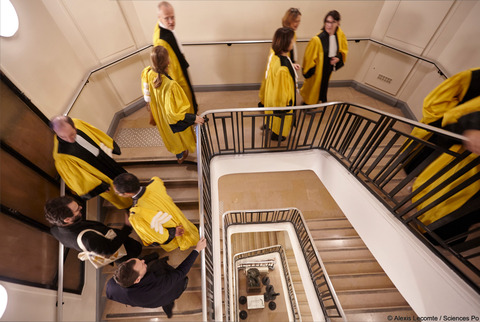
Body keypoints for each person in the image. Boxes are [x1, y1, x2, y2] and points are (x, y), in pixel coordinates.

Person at [407, 67, 480, 244]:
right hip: (455, 153)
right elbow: (434, 103)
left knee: (454, 212)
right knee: (438, 195)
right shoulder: (474, 78)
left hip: (463, 163)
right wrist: (465, 129)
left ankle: (431, 237)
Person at [106, 238, 207, 318]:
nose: (143, 261)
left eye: (139, 260)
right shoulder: (159, 286)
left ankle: (168, 309)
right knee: (168, 299)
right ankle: (168, 308)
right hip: (160, 295)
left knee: (164, 299)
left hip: (141, 298)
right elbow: (180, 272)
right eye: (142, 265)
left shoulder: (112, 285)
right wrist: (197, 249)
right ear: (137, 279)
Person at [51, 116, 132, 209]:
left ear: (74, 126)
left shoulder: (77, 123)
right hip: (98, 174)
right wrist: (99, 187)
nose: (70, 140)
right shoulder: (62, 156)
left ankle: (133, 191)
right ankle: (129, 207)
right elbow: (77, 177)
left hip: (104, 158)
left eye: (72, 134)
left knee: (122, 175)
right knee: (118, 195)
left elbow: (94, 132)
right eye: (63, 137)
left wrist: (108, 145)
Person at [142, 46, 204, 164]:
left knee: (171, 138)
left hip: (159, 114)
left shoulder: (147, 73)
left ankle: (179, 156)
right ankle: (181, 154)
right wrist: (193, 118)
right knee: (178, 136)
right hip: (169, 118)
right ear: (168, 61)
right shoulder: (170, 85)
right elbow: (172, 114)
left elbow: (146, 93)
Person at [113, 173, 199, 251]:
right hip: (181, 220)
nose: (117, 194)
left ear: (127, 193)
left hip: (176, 235)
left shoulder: (136, 215)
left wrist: (172, 232)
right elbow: (156, 179)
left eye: (118, 193)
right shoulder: (155, 185)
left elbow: (156, 237)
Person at [45, 196, 142, 264]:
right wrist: (127, 228)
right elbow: (110, 250)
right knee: (136, 249)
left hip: (101, 242)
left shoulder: (55, 230)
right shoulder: (88, 239)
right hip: (124, 250)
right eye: (77, 209)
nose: (81, 207)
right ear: (67, 220)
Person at [153, 1, 198, 113]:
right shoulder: (161, 40)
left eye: (173, 17)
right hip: (177, 76)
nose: (171, 21)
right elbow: (169, 68)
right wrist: (177, 87)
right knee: (185, 98)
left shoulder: (165, 29)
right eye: (167, 18)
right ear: (159, 17)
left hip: (180, 65)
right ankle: (191, 119)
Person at [300, 10, 348, 104]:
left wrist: (338, 58)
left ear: (338, 23)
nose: (329, 25)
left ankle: (318, 99)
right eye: (327, 21)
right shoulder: (317, 40)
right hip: (318, 70)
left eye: (332, 22)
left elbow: (343, 49)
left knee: (323, 86)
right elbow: (308, 58)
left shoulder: (339, 34)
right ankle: (308, 103)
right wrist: (312, 71)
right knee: (313, 87)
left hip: (328, 68)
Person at [259, 7, 302, 108]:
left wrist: (291, 64)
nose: (297, 24)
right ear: (288, 21)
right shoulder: (284, 37)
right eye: (295, 21)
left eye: (299, 21)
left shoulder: (292, 34)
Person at [263, 27, 297, 141]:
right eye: (292, 40)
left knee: (274, 122)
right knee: (280, 127)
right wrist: (285, 108)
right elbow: (282, 93)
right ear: (286, 43)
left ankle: (274, 131)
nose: (293, 42)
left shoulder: (276, 57)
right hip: (281, 104)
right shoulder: (283, 68)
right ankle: (277, 136)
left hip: (272, 97)